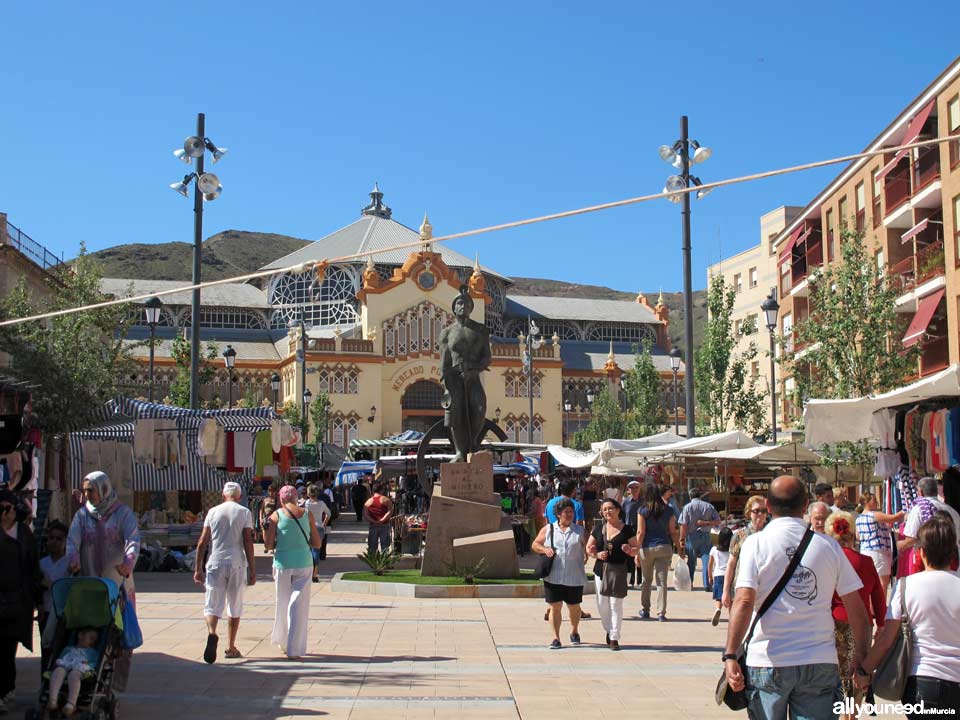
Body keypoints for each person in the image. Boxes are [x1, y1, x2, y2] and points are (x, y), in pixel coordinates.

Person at [724, 476, 869, 720]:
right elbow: (857, 609)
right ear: (805, 506)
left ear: (768, 507)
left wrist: (730, 654)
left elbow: (744, 601)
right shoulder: (829, 547)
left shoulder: (755, 544)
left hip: (768, 659)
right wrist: (861, 656)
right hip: (819, 659)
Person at [855, 513, 960, 716]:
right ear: (953, 552)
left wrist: (864, 670)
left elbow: (887, 638)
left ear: (920, 552)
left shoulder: (906, 586)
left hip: (922, 680)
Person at [66, 471, 140, 692]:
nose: (88, 495)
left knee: (120, 637)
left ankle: (113, 687)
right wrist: (73, 560)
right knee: (90, 634)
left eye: (91, 490)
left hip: (118, 586)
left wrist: (128, 563)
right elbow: (72, 541)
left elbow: (133, 540)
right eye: (86, 490)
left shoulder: (122, 514)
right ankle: (87, 679)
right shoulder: (82, 516)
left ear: (103, 489)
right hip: (90, 586)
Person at [825, 510, 886, 716]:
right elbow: (878, 596)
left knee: (835, 675)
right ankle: (851, 715)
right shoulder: (866, 562)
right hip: (863, 625)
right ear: (852, 535)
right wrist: (882, 624)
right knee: (857, 675)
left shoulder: (827, 562)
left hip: (833, 622)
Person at [193, 481, 256, 663]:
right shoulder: (244, 512)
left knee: (212, 604)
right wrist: (252, 569)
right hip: (236, 562)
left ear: (223, 495)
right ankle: (230, 646)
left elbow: (202, 542)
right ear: (240, 497)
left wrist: (198, 568)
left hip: (215, 562)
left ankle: (212, 633)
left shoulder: (212, 512)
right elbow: (247, 542)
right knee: (234, 604)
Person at [264, 485, 321, 659]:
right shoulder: (307, 514)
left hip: (282, 563)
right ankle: (294, 648)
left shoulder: (275, 516)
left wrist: (265, 530)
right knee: (298, 605)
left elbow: (268, 545)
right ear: (296, 498)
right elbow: (317, 543)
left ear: (281, 500)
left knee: (282, 603)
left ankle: (282, 641)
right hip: (304, 563)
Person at [438, 285, 492, 462]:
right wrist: (446, 385)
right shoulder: (446, 333)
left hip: (473, 376)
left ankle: (473, 442)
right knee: (456, 414)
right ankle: (461, 452)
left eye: (467, 304)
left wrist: (475, 367)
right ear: (454, 307)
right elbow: (444, 362)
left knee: (479, 408)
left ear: (471, 308)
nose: (463, 306)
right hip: (454, 379)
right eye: (460, 303)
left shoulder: (480, 331)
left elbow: (487, 358)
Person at [0, 489, 39, 714]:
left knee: (6, 650)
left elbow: (32, 566)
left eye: (8, 508)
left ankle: (7, 690)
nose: (4, 514)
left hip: (16, 603)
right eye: (1, 509)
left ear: (15, 510)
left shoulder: (23, 534)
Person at [531, 498, 587, 649]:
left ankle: (574, 631)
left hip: (574, 575)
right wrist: (545, 549)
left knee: (574, 607)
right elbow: (535, 544)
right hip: (553, 575)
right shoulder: (548, 529)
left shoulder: (580, 531)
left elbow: (588, 547)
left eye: (571, 512)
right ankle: (556, 637)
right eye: (566, 512)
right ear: (558, 514)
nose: (569, 515)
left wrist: (589, 553)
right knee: (555, 607)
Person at [585, 498, 638, 650]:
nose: (608, 511)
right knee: (602, 604)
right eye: (605, 509)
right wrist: (596, 555)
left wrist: (630, 550)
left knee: (616, 604)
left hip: (621, 571)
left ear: (618, 509)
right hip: (601, 570)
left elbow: (636, 549)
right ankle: (609, 630)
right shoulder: (598, 528)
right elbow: (589, 548)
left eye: (611, 508)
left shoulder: (627, 529)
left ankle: (614, 637)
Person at [543, 479, 590, 620]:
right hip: (571, 545)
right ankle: (575, 611)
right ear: (573, 490)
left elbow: (545, 523)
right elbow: (579, 526)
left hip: (553, 543)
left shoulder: (550, 503)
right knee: (572, 583)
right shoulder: (576, 505)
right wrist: (584, 551)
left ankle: (553, 608)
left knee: (557, 584)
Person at [899, 476, 960, 575]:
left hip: (927, 564)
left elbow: (911, 540)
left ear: (920, 492)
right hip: (952, 562)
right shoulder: (952, 511)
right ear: (936, 491)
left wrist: (896, 546)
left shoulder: (918, 509)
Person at [637, 482, 679, 621]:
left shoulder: (642, 510)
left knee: (646, 580)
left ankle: (645, 609)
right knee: (662, 582)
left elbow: (640, 532)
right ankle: (661, 612)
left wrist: (637, 550)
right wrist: (679, 548)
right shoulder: (668, 510)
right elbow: (673, 531)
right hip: (664, 546)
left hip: (647, 547)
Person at [722, 494, 768, 610]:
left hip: (764, 589)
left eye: (763, 511)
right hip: (741, 588)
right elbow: (731, 564)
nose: (760, 514)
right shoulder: (740, 535)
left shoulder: (771, 535)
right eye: (756, 511)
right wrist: (726, 591)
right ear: (749, 513)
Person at [855, 492, 904, 593]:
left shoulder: (858, 518)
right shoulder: (874, 515)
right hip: (878, 552)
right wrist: (906, 509)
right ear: (866, 502)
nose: (876, 502)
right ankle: (881, 607)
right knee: (882, 583)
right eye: (874, 500)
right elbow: (894, 518)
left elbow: (858, 537)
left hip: (865, 552)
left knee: (871, 583)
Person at [45, 627, 99, 717]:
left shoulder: (93, 652)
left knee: (74, 675)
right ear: (80, 635)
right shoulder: (68, 649)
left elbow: (94, 663)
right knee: (58, 671)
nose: (93, 642)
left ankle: (71, 703)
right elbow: (61, 659)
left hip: (80, 669)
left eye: (94, 640)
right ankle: (53, 700)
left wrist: (88, 664)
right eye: (91, 638)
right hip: (66, 666)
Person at [39, 520, 71, 667]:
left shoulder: (70, 564)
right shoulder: (42, 563)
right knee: (46, 648)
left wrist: (52, 585)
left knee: (61, 648)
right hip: (46, 611)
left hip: (63, 613)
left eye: (59, 539)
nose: (54, 542)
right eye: (51, 538)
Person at [678, 486, 720, 592]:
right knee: (706, 560)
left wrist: (681, 540)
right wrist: (706, 523)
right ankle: (707, 584)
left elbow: (683, 525)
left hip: (691, 537)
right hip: (705, 536)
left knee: (691, 561)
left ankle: (690, 583)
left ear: (690, 496)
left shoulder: (687, 508)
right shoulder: (709, 506)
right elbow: (718, 521)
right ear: (700, 496)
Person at [304, 484, 331, 581]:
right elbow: (329, 513)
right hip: (319, 528)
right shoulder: (321, 503)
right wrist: (324, 523)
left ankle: (309, 572)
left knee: (309, 550)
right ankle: (315, 574)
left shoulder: (306, 503)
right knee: (316, 551)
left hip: (308, 528)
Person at [708, 528, 732, 626]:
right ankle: (732, 616)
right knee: (731, 597)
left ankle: (718, 609)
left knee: (719, 597)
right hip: (729, 575)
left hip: (718, 575)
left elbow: (710, 564)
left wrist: (710, 576)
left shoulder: (714, 549)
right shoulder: (732, 550)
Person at [622, 481, 643, 588]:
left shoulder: (644, 502)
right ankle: (630, 580)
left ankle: (639, 581)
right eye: (632, 487)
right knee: (629, 556)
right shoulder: (625, 502)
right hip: (629, 530)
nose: (634, 489)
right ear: (628, 489)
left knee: (639, 555)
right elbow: (622, 517)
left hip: (640, 530)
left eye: (636, 487)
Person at [364, 482, 394, 554]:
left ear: (373, 491)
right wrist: (382, 520)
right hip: (384, 525)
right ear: (382, 490)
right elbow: (390, 512)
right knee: (385, 547)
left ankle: (373, 563)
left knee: (372, 547)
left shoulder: (368, 502)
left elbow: (365, 515)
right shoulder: (386, 500)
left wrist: (374, 521)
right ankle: (384, 563)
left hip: (373, 526)